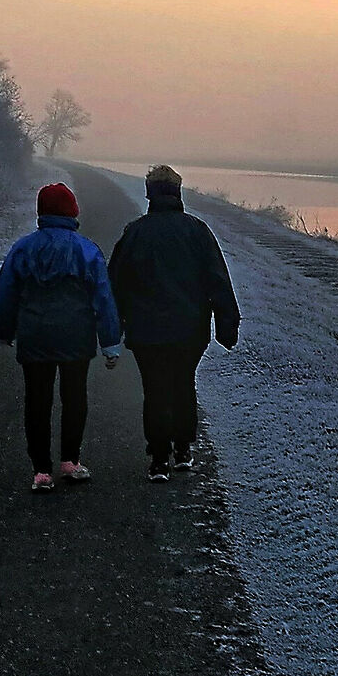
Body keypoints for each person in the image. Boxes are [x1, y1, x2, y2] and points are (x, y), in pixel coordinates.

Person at [107, 165, 240, 481]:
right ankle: (182, 449)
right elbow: (217, 280)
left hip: (146, 331)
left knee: (154, 388)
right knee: (182, 383)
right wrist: (227, 325)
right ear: (178, 192)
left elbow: (115, 283)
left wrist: (115, 328)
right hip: (189, 330)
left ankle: (158, 459)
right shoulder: (197, 231)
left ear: (149, 192)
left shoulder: (135, 233)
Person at [0, 182, 122, 492]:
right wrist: (110, 342)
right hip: (76, 337)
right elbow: (103, 298)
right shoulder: (87, 250)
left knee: (37, 400)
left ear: (41, 212)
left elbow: (5, 293)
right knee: (74, 397)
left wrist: (4, 331)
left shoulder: (23, 248)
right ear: (72, 212)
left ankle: (40, 471)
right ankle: (70, 461)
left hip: (35, 335)